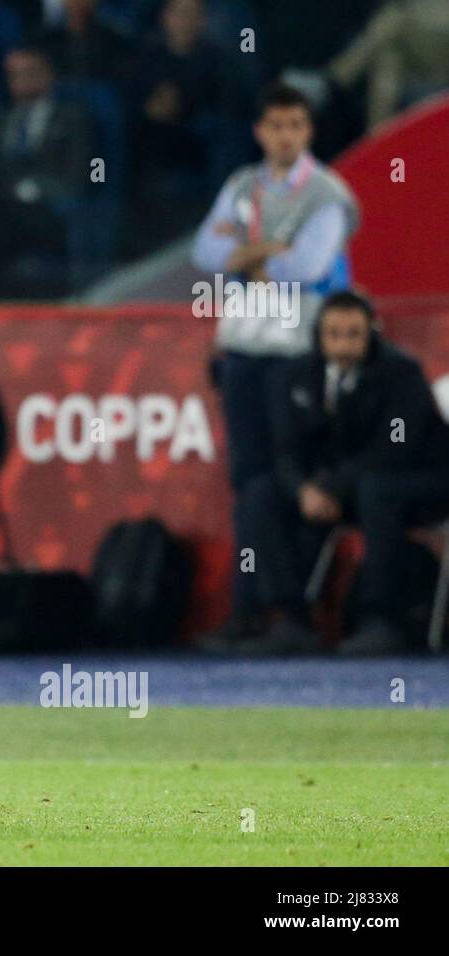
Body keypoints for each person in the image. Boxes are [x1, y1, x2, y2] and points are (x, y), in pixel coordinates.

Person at [192, 82, 359, 650]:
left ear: (308, 132)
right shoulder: (242, 185)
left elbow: (310, 266)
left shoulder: (328, 194)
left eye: (296, 125)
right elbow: (206, 255)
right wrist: (270, 250)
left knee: (283, 479)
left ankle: (290, 612)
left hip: (295, 355)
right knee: (247, 482)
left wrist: (246, 250)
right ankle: (249, 609)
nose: (285, 136)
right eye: (276, 125)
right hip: (243, 351)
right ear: (260, 131)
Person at [224, 291, 449, 655]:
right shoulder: (298, 376)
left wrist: (330, 487)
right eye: (334, 334)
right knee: (262, 492)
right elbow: (286, 449)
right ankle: (290, 617)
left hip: (419, 482)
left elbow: (393, 449)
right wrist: (303, 491)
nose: (343, 344)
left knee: (377, 491)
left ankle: (383, 619)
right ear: (319, 335)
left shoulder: (401, 374)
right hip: (345, 488)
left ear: (371, 333)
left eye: (353, 334)